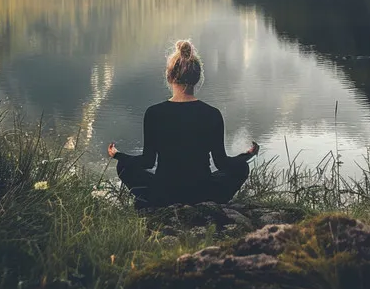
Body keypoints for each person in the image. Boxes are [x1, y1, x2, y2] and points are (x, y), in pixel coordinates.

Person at [107, 40, 259, 209]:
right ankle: (212, 204)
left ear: (169, 76)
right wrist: (245, 156)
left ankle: (151, 204)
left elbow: (147, 162)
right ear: (198, 77)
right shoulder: (212, 114)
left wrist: (118, 156)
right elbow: (222, 163)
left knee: (124, 167)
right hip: (202, 192)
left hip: (163, 193)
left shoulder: (154, 113)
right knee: (241, 168)